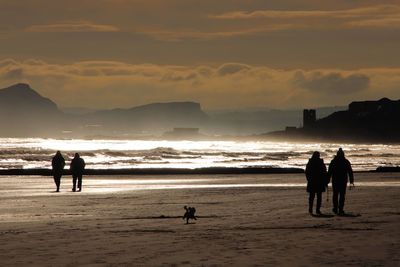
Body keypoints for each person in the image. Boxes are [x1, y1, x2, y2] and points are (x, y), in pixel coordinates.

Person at [328, 148, 354, 215]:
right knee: (342, 195)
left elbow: (329, 172)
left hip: (335, 180)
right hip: (343, 180)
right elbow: (350, 171)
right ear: (343, 154)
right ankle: (340, 209)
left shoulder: (333, 161)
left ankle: (335, 208)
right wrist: (351, 180)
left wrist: (327, 180)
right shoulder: (345, 161)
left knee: (335, 195)